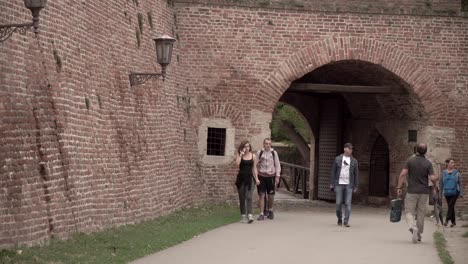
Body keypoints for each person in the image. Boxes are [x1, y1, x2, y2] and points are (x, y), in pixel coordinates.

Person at [397, 143, 438, 243]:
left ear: (416, 150)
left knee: (408, 211)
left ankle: (413, 227)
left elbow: (403, 174)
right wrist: (435, 186)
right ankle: (418, 234)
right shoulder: (428, 163)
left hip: (412, 191)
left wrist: (399, 187)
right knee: (421, 213)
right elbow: (432, 178)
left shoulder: (410, 160)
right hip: (424, 192)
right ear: (425, 151)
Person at [330, 143, 359, 227]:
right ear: (345, 149)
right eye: (349, 148)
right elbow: (333, 172)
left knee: (348, 203)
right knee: (338, 203)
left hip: (349, 185)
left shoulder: (354, 161)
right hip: (339, 184)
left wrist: (356, 185)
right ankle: (339, 218)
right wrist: (332, 184)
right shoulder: (337, 159)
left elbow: (356, 174)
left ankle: (346, 221)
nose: (351, 150)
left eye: (351, 149)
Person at [235, 141, 260, 224]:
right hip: (241, 178)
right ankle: (243, 215)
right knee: (242, 197)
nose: (247, 148)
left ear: (250, 147)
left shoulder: (253, 156)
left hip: (250, 178)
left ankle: (250, 215)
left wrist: (256, 178)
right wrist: (241, 154)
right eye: (245, 146)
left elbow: (254, 168)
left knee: (249, 196)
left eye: (248, 146)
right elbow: (237, 164)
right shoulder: (239, 155)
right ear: (242, 147)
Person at [256, 138, 281, 220]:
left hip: (271, 176)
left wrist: (277, 176)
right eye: (266, 143)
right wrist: (259, 161)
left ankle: (270, 210)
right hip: (261, 175)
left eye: (269, 144)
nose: (268, 145)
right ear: (263, 144)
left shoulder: (274, 153)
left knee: (270, 195)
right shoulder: (260, 152)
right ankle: (261, 213)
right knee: (261, 195)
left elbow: (277, 165)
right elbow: (255, 165)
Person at [439, 158, 464, 227]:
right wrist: (440, 194)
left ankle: (447, 220)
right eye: (451, 162)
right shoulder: (443, 173)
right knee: (451, 206)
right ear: (447, 163)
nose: (453, 164)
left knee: (450, 205)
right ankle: (453, 222)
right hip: (447, 192)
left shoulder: (457, 172)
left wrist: (461, 192)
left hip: (455, 191)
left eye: (453, 162)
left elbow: (460, 183)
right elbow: (441, 184)